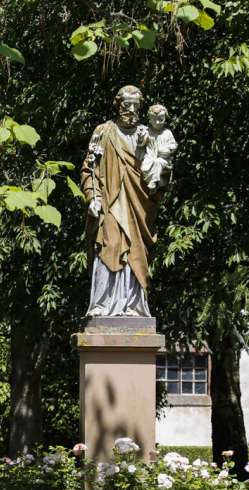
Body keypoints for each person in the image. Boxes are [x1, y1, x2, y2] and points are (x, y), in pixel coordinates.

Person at [81, 85, 165, 318]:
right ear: (118, 105)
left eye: (136, 106)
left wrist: (161, 178)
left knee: (136, 252)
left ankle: (134, 306)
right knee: (108, 245)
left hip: (138, 207)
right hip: (110, 203)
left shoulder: (148, 135)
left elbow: (160, 173)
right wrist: (92, 196)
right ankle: (102, 305)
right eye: (127, 105)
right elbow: (89, 168)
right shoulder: (104, 132)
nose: (131, 110)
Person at [141, 104, 178, 191]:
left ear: (165, 118)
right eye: (154, 120)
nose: (157, 122)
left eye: (161, 119)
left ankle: (153, 182)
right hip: (150, 157)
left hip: (164, 159)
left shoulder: (167, 132)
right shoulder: (147, 131)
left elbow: (174, 144)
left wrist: (169, 150)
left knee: (158, 162)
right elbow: (141, 144)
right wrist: (141, 138)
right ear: (150, 120)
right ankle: (153, 183)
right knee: (144, 167)